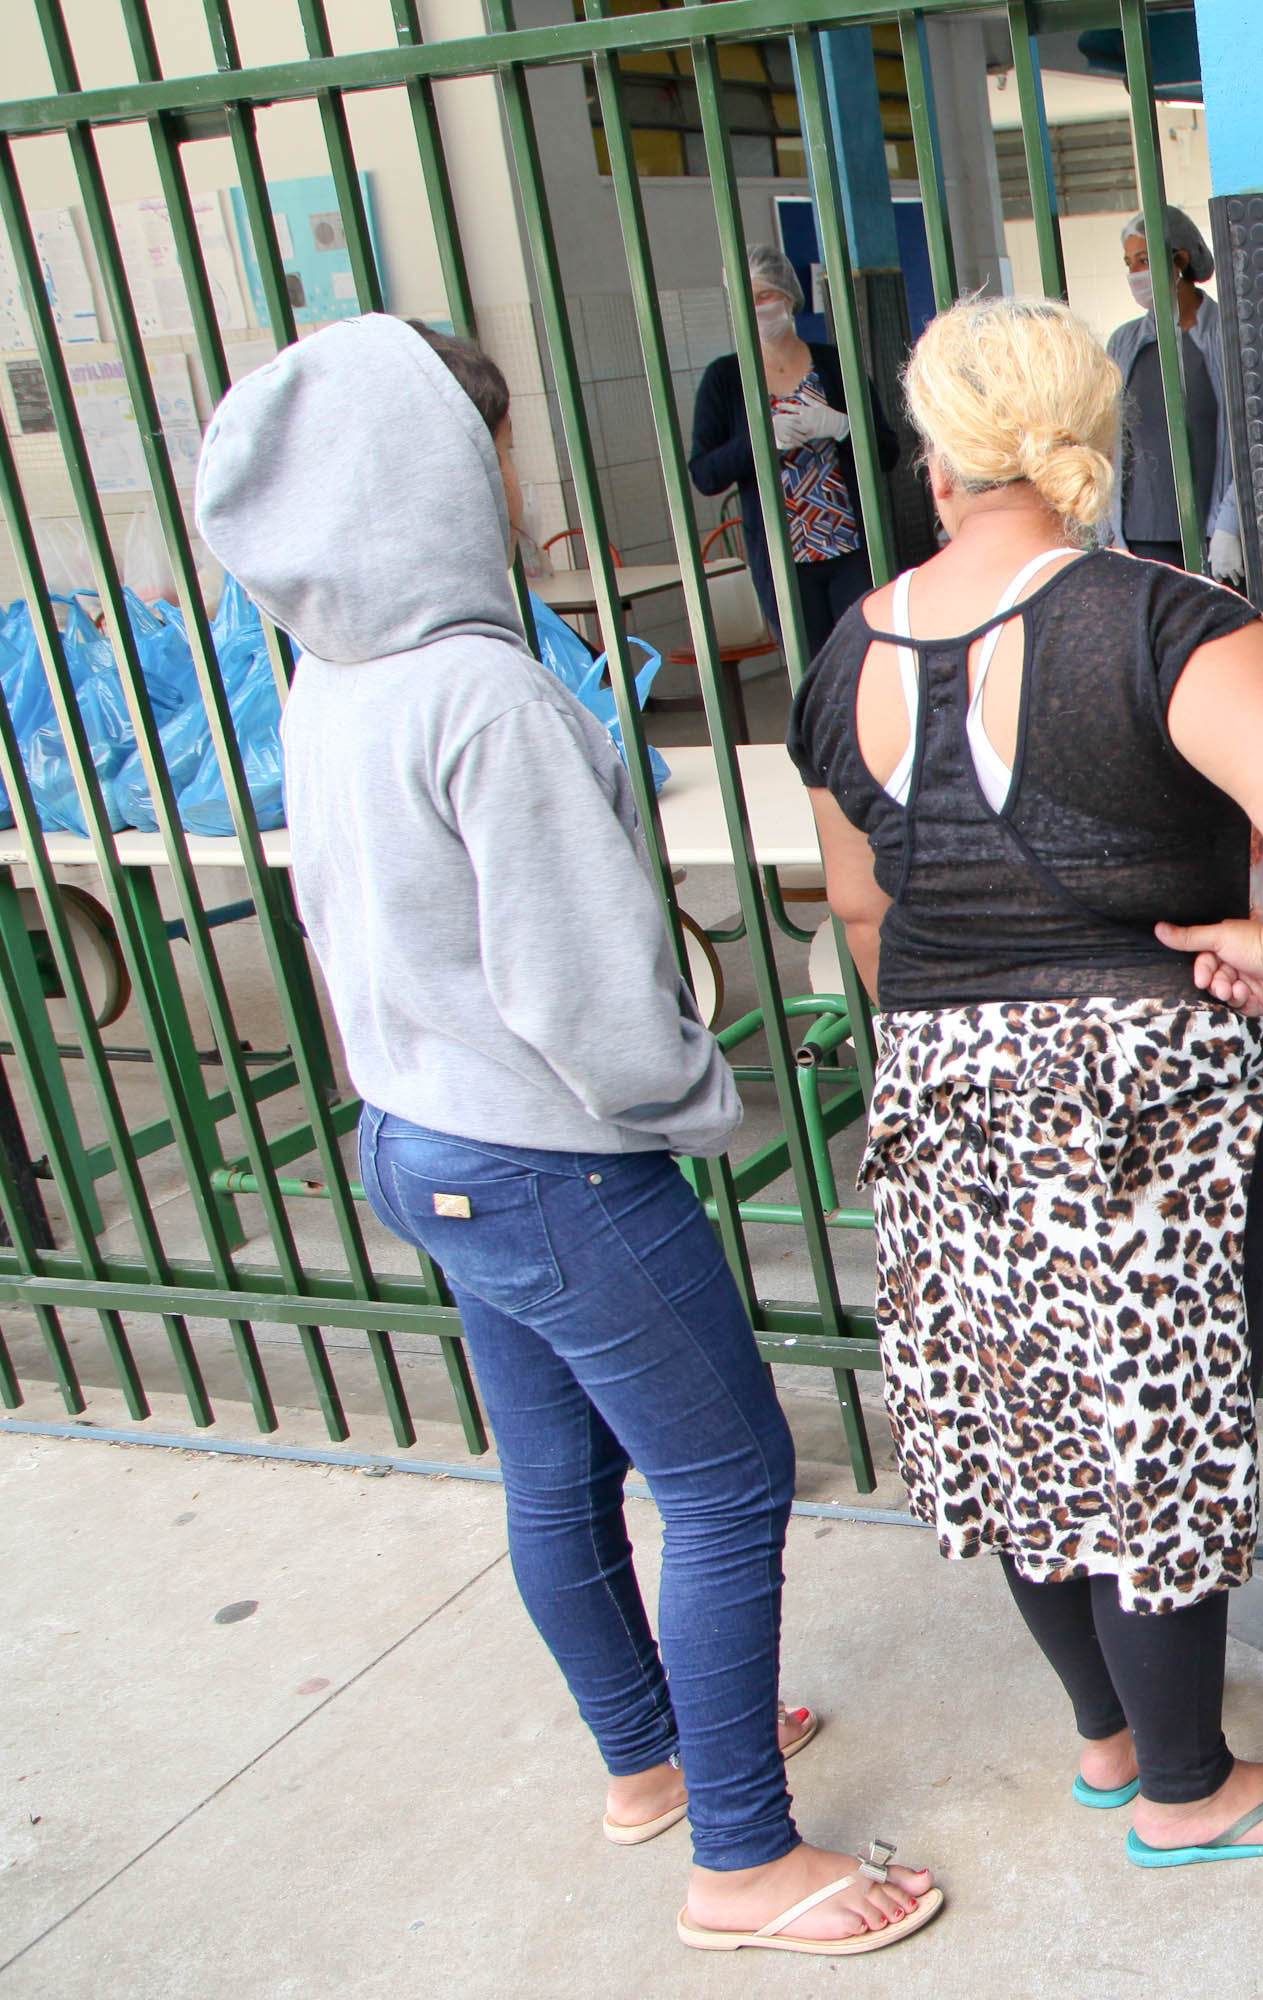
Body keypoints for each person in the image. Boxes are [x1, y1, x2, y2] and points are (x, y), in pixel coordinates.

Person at [196, 314, 941, 1954]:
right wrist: (694, 1097)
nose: (510, 471)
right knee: (731, 1476)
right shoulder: (485, 689)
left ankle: (651, 1764)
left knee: (556, 1474)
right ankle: (742, 1861)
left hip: (420, 1136)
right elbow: (583, 985)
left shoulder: (333, 674)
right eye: (489, 445)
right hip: (546, 1157)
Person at [797, 297, 1263, 1866]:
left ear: (935, 459)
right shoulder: (1160, 618)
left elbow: (858, 903)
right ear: (1092, 439)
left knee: (1024, 1412)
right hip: (1144, 1085)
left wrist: (950, 1039)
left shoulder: (849, 644)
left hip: (935, 1072)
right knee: (1157, 1415)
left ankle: (1114, 1741)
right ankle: (1192, 1794)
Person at [687, 244, 900, 650]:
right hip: (783, 559)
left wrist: (843, 426)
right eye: (745, 300)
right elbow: (705, 474)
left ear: (788, 296)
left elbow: (887, 453)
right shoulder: (725, 378)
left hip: (851, 548)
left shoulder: (837, 365)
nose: (758, 309)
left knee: (867, 657)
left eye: (765, 296)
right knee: (810, 671)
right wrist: (758, 441)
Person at [1104, 207, 1244, 585]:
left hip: (1211, 536)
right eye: (1130, 263)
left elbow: (1248, 439)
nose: (1136, 274)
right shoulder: (1125, 343)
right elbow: (1108, 440)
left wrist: (1229, 524)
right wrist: (1109, 533)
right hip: (1139, 537)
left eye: (1145, 260)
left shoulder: (1226, 337)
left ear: (1180, 261)